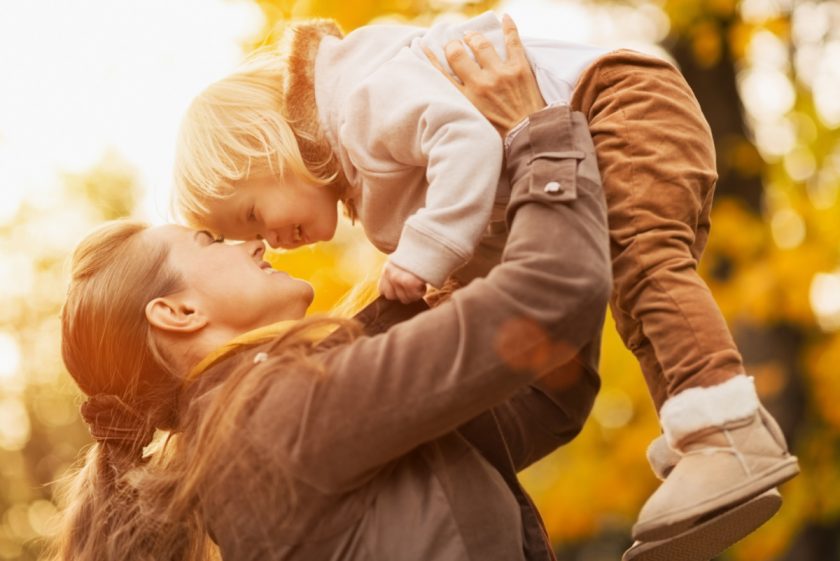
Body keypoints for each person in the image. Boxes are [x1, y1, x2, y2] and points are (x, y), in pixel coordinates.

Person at [171, 13, 799, 559]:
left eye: (252, 215)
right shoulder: (374, 188)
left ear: (268, 143)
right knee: (637, 294)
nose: (270, 242)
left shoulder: (360, 99)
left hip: (613, 101)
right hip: (583, 143)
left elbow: (465, 138)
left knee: (644, 264)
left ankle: (725, 432)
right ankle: (708, 441)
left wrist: (426, 256)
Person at [51, 66, 612, 561]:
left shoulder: (272, 415)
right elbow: (552, 297)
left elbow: (545, 394)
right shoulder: (269, 419)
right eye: (207, 240)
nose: (251, 244)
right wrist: (538, 131)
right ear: (178, 311)